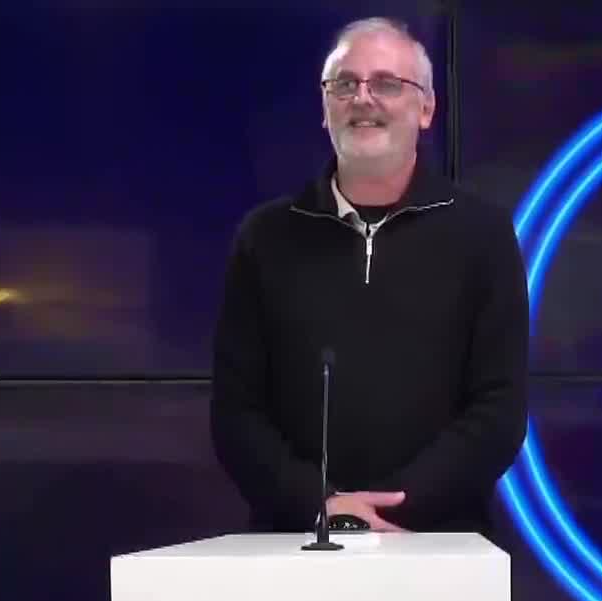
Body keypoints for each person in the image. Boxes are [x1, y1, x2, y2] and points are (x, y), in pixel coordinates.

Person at [211, 17, 527, 535]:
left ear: (426, 108)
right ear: (324, 107)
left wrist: (390, 511)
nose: (362, 98)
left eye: (386, 84)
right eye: (345, 84)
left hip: (439, 546)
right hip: (293, 542)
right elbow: (236, 413)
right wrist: (321, 506)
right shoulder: (264, 237)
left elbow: (498, 411)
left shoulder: (483, 235)